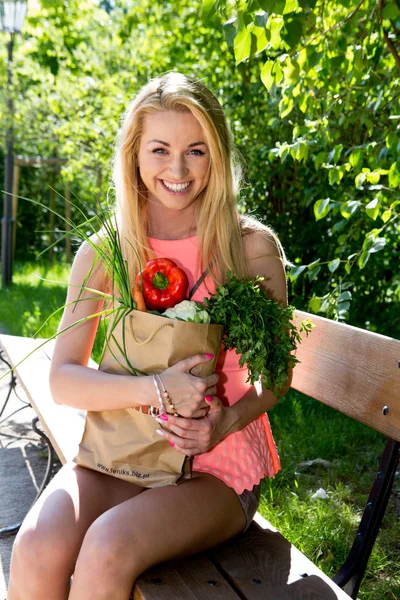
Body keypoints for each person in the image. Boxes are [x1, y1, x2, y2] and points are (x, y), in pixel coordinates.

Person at [8, 72, 291, 600]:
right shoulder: (106, 250)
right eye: (160, 149)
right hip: (120, 453)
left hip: (213, 467)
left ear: (219, 155)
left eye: (197, 151)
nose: (177, 170)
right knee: (37, 545)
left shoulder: (248, 248)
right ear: (134, 154)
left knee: (107, 547)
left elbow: (277, 374)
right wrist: (155, 389)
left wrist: (226, 420)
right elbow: (65, 380)